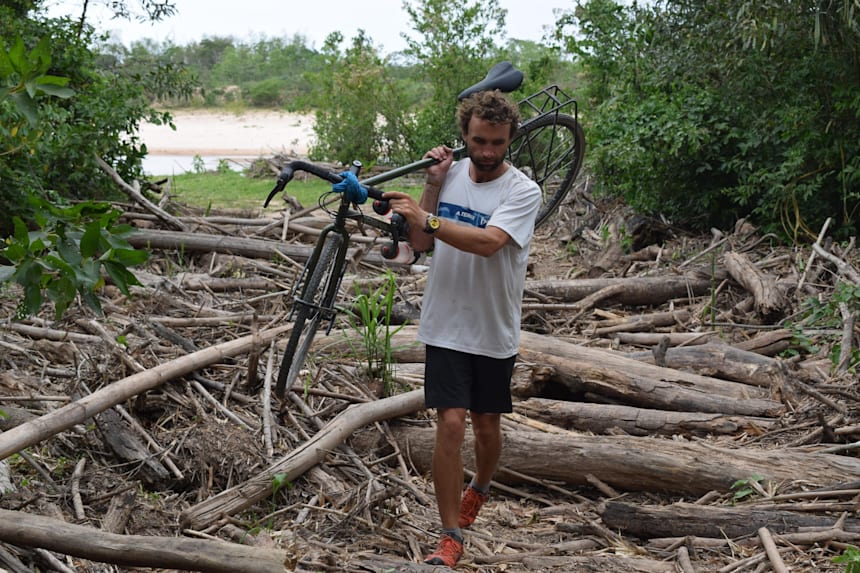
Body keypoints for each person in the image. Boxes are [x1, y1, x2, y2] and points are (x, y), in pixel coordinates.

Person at [384, 89, 541, 567]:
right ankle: (450, 535)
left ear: (509, 139)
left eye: (496, 142)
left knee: (486, 427)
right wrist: (431, 187)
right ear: (465, 136)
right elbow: (419, 244)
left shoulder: (522, 191)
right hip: (445, 324)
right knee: (450, 425)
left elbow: (490, 242)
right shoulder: (449, 175)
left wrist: (427, 215)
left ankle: (482, 485)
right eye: (479, 140)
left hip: (493, 329)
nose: (487, 151)